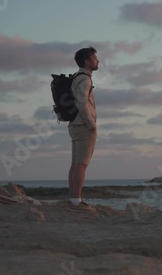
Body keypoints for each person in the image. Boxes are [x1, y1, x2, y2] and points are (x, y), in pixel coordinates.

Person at [67, 47, 99, 212]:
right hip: (83, 125)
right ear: (87, 62)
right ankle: (76, 200)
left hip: (74, 124)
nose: (98, 61)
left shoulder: (76, 77)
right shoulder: (85, 79)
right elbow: (81, 102)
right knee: (81, 164)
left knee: (75, 163)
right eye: (95, 58)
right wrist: (91, 124)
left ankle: (73, 198)